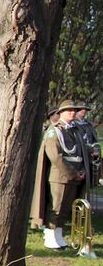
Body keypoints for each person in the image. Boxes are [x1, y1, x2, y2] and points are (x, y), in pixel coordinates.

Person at [30, 100, 89, 250]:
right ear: (61, 113)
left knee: (65, 209)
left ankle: (59, 237)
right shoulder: (54, 130)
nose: (72, 113)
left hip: (75, 175)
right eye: (69, 110)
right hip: (60, 176)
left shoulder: (75, 130)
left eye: (74, 110)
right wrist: (73, 173)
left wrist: (81, 170)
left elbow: (81, 152)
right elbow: (55, 156)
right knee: (55, 208)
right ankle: (49, 237)